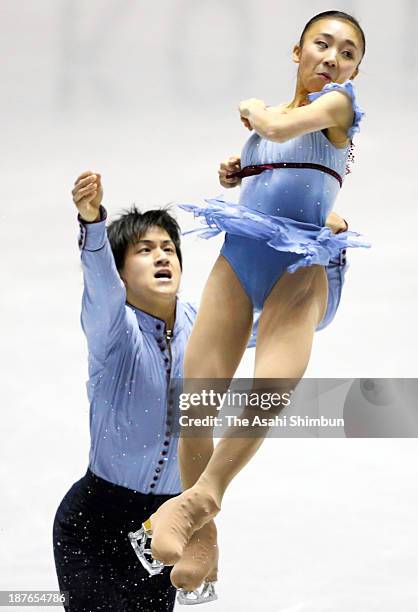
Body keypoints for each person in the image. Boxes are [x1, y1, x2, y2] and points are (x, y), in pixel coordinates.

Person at [141, 9, 370, 595]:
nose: (334, 57)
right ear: (297, 51)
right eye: (323, 44)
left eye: (348, 52)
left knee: (273, 384)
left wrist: (256, 113)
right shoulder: (283, 120)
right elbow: (277, 163)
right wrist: (239, 169)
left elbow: (277, 130)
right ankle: (203, 537)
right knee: (199, 393)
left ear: (354, 71)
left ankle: (199, 501)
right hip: (244, 252)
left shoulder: (338, 105)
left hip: (299, 265)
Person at [53, 171, 217, 611]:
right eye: (145, 250)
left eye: (168, 249)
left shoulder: (205, 326)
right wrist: (92, 225)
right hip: (94, 523)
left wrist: (327, 258)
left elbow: (288, 323)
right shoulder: (112, 330)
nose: (161, 256)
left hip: (165, 523)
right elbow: (99, 283)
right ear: (122, 272)